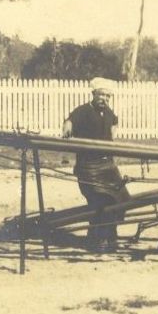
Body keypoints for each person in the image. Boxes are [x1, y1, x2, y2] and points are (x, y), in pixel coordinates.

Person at [62, 77, 131, 253]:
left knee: (122, 199)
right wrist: (67, 128)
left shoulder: (108, 112)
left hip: (107, 166)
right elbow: (69, 121)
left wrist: (112, 134)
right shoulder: (83, 111)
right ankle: (97, 239)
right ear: (93, 94)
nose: (105, 99)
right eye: (101, 95)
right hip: (89, 168)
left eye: (108, 96)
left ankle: (110, 235)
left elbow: (114, 122)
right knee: (101, 202)